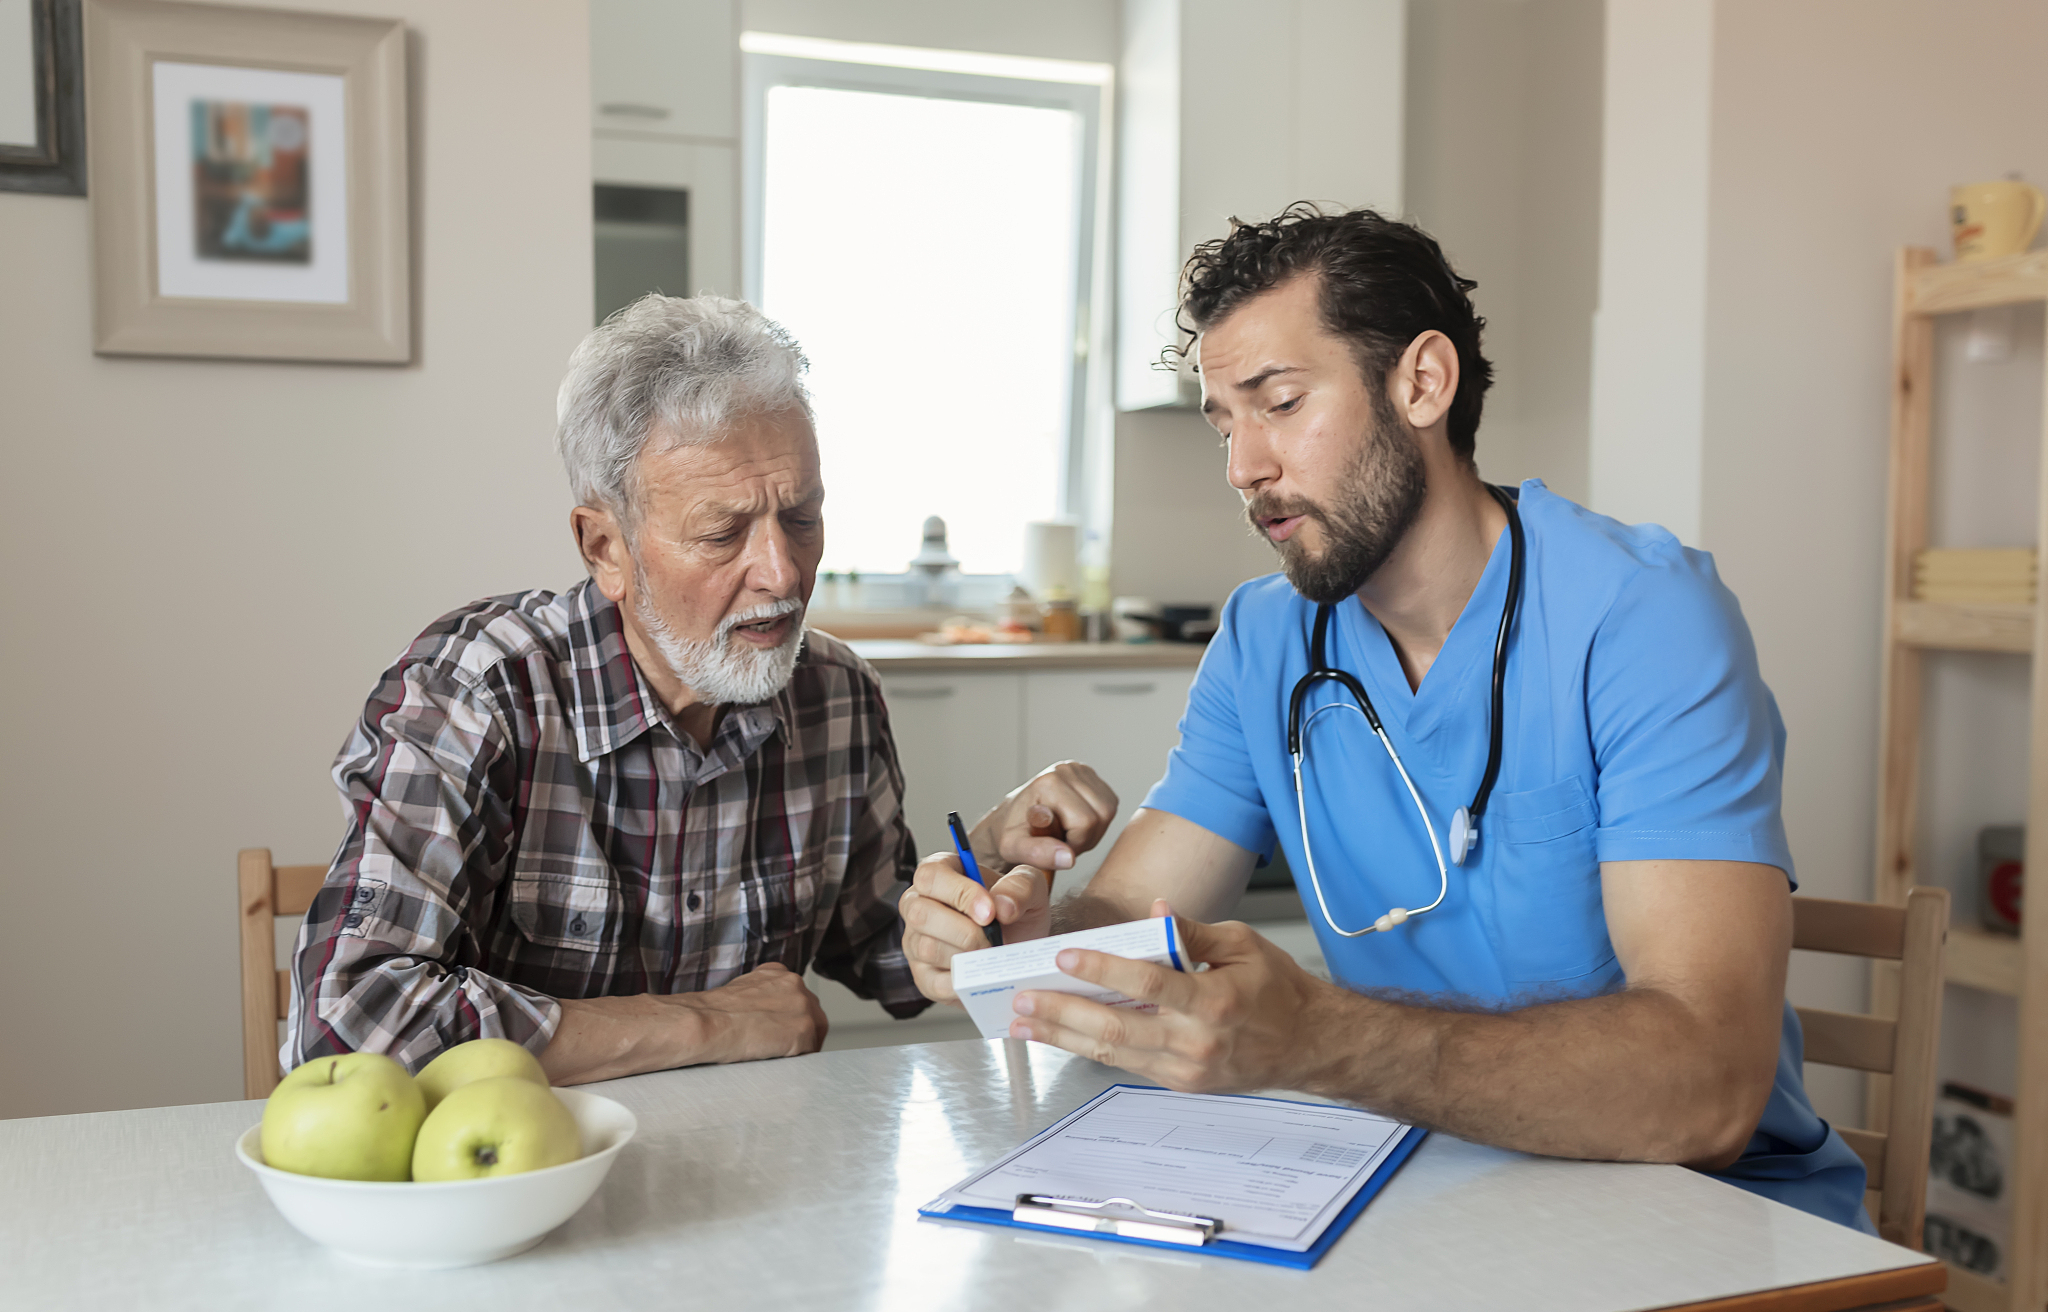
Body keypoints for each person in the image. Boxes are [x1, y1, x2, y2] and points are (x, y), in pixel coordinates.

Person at [901, 205, 1872, 1233]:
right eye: (1223, 422)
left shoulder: (1640, 618)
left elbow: (1710, 1088)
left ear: (1421, 382)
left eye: (1276, 402)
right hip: (1411, 1191)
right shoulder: (1265, 639)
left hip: (1697, 1219)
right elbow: (1133, 929)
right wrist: (1024, 933)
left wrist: (1320, 1035)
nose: (1243, 468)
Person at [285, 295, 1112, 1084]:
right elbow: (346, 1022)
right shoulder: (478, 692)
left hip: (752, 1173)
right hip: (531, 1186)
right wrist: (711, 1022)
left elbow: (885, 955)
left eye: (802, 516)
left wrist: (985, 867)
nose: (782, 573)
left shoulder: (836, 693)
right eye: (723, 533)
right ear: (605, 546)